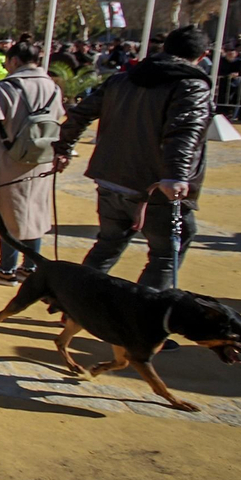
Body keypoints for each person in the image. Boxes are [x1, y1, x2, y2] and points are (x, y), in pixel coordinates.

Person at [53, 25, 212, 290]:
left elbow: (80, 113)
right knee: (164, 255)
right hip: (155, 185)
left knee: (107, 245)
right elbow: (185, 131)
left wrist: (64, 147)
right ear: (203, 55)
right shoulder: (190, 85)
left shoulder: (123, 79)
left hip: (112, 176)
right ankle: (141, 315)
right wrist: (176, 174)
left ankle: (75, 301)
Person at [0, 41, 61, 283]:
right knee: (33, 213)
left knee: (6, 215)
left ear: (14, 61)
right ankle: (31, 266)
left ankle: (7, 269)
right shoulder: (53, 87)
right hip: (40, 159)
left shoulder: (4, 88)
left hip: (5, 160)